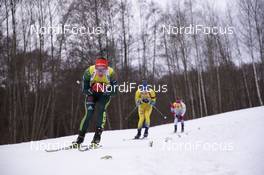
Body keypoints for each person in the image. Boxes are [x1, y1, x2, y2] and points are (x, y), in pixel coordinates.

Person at [73, 57, 117, 148]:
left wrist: (108, 91)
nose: (100, 72)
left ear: (107, 68)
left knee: (101, 110)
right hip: (92, 94)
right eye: (98, 69)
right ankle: (80, 138)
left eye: (103, 70)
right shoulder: (89, 71)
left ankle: (97, 137)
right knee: (88, 114)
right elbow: (84, 87)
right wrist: (88, 91)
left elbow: (115, 91)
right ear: (95, 67)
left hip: (104, 95)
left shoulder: (111, 73)